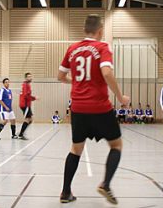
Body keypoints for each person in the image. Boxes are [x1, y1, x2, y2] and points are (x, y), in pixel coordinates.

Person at [57, 14, 130, 204]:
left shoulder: (72, 49)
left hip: (78, 108)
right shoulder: (102, 47)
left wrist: (79, 81)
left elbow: (60, 76)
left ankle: (65, 192)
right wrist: (121, 97)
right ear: (100, 30)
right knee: (116, 145)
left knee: (76, 149)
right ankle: (105, 184)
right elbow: (106, 72)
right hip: (99, 107)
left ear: (84, 30)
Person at [18, 72, 38, 140]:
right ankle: (21, 134)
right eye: (29, 77)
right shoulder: (26, 85)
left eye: (31, 76)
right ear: (26, 78)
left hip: (27, 104)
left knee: (30, 120)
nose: (30, 78)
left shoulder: (26, 84)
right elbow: (26, 95)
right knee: (28, 119)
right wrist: (34, 98)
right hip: (25, 104)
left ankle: (22, 132)